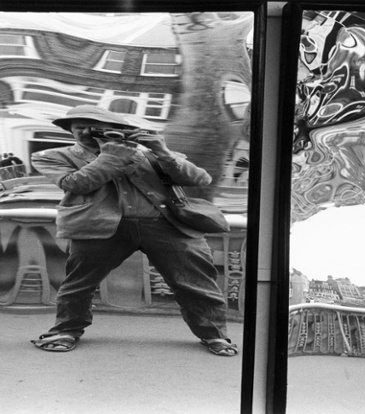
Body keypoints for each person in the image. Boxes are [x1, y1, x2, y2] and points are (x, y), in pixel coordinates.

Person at [30, 105, 237, 357]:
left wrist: (162, 151)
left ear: (118, 130)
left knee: (195, 283)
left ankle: (214, 334)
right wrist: (110, 156)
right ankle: (64, 330)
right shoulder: (53, 156)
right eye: (78, 127)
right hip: (97, 226)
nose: (85, 132)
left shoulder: (151, 153)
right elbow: (77, 184)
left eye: (94, 127)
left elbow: (200, 179)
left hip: (166, 225)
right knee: (79, 284)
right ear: (70, 131)